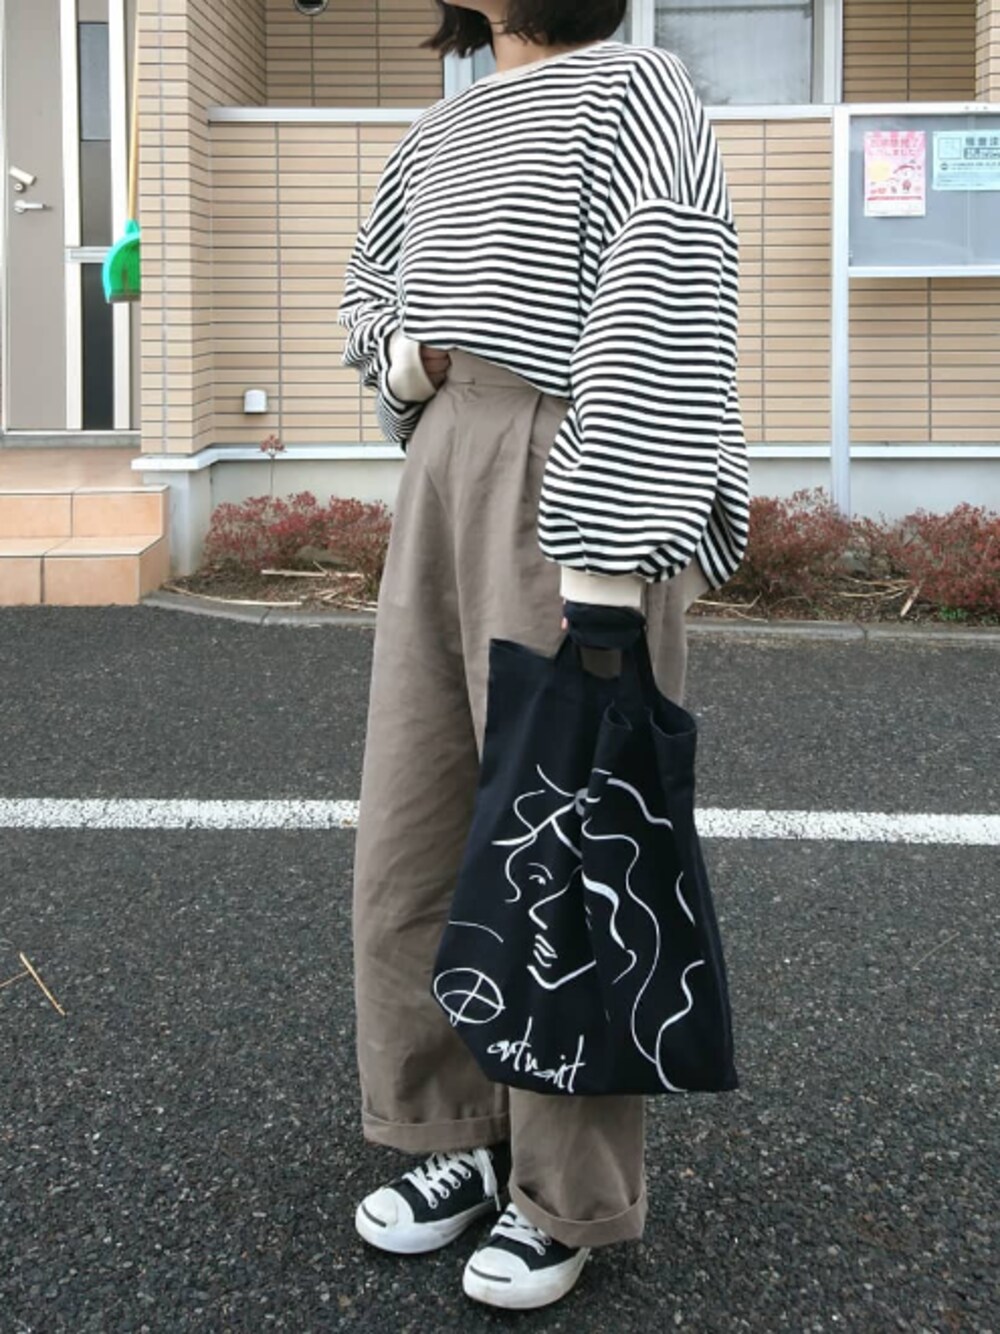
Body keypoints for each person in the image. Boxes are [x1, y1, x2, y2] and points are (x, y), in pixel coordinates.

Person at [336, 0, 750, 1311]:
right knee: (418, 817)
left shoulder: (640, 91)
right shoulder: (439, 129)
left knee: (570, 840)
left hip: (576, 465)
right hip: (446, 461)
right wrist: (412, 354)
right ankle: (452, 1126)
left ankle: (563, 1189)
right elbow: (370, 300)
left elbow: (663, 306)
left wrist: (609, 561)